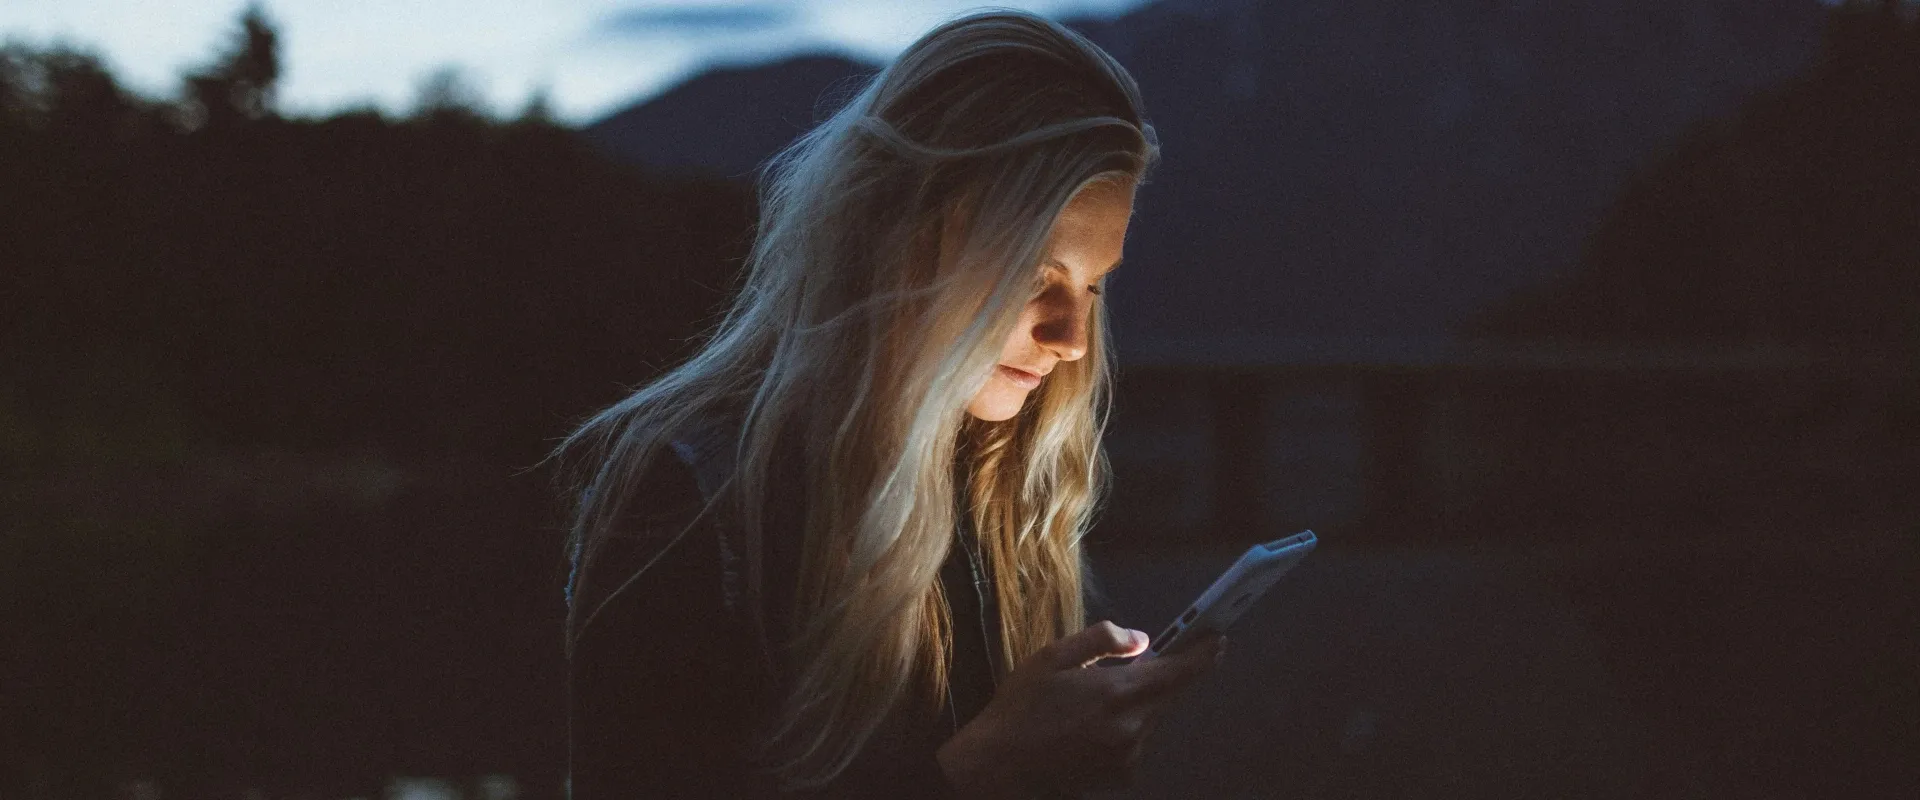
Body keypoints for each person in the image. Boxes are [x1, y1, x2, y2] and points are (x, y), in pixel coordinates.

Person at [546, 9, 1225, 798]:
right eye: (1036, 277)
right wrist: (981, 772)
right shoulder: (690, 497)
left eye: (1093, 285)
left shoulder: (993, 488)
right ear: (900, 233)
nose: (1073, 338)